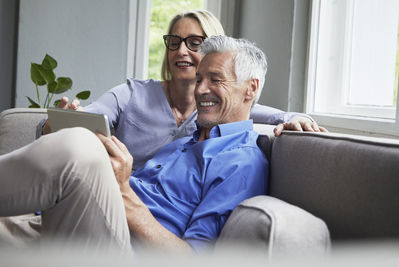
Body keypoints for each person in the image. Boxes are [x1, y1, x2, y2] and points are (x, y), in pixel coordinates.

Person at [1, 35, 270, 253]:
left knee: (82, 145)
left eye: (215, 79)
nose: (199, 89)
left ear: (251, 88)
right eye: (199, 79)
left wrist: (122, 190)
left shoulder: (243, 160)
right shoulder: (183, 142)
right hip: (68, 221)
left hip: (124, 249)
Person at [41, 9, 326, 171]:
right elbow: (85, 118)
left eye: (194, 42)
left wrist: (297, 119)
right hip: (119, 190)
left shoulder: (215, 107)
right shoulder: (130, 93)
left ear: (215, 49)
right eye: (174, 41)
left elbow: (269, 112)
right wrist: (60, 120)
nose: (181, 51)